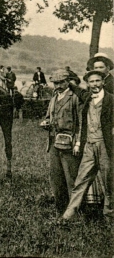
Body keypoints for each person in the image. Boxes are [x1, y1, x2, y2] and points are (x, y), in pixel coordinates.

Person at [59, 69, 113, 223]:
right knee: (81, 180)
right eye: (91, 81)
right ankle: (68, 215)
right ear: (88, 84)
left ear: (103, 82)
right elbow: (76, 89)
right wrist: (66, 79)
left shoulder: (111, 100)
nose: (95, 84)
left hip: (105, 147)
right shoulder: (87, 97)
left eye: (97, 81)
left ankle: (109, 217)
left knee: (108, 183)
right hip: (89, 146)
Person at [40, 69, 82, 213]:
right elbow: (48, 117)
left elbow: (82, 123)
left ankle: (74, 210)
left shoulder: (75, 97)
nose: (57, 85)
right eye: (55, 83)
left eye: (60, 82)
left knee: (71, 177)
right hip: (53, 142)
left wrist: (78, 143)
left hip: (70, 143)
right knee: (56, 177)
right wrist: (46, 123)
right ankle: (60, 208)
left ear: (67, 81)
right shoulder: (53, 98)